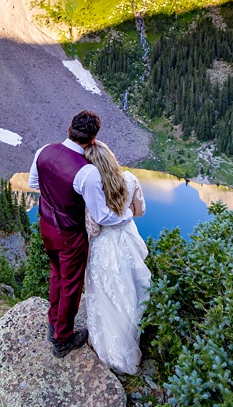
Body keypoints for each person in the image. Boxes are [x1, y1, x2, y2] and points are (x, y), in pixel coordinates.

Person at [27, 110, 125, 357]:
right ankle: (62, 339)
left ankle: (53, 322)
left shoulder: (43, 151)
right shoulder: (87, 172)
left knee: (56, 274)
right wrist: (125, 216)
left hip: (46, 225)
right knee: (71, 285)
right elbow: (101, 216)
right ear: (93, 139)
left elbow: (34, 184)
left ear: (69, 130)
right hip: (70, 235)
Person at [82, 140, 151, 375]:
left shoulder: (93, 189)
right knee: (131, 292)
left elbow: (93, 228)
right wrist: (126, 212)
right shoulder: (130, 179)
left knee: (106, 295)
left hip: (104, 246)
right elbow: (140, 211)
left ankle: (109, 348)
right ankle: (130, 342)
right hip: (128, 241)